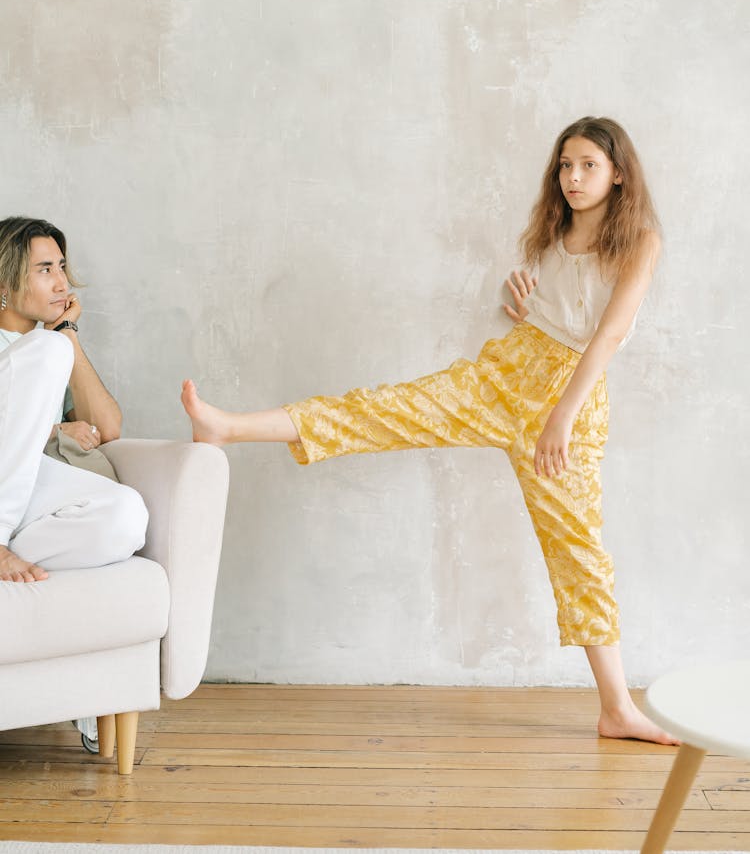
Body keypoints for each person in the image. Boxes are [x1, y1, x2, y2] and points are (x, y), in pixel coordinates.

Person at [180, 116, 677, 746]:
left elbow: (605, 336)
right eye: (565, 165)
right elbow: (544, 304)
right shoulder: (554, 228)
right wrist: (515, 291)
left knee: (578, 550)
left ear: (618, 172)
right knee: (387, 408)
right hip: (509, 371)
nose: (573, 178)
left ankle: (616, 708)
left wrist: (561, 417)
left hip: (571, 401)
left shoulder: (640, 240)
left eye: (587, 166)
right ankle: (228, 428)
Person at [0, 216, 148, 583]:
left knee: (127, 514)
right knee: (47, 349)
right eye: (45, 269)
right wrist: (57, 429)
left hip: (28, 480)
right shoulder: (37, 354)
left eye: (62, 267)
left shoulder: (51, 352)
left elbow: (109, 427)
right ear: (4, 282)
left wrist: (68, 335)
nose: (62, 283)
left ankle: (11, 551)